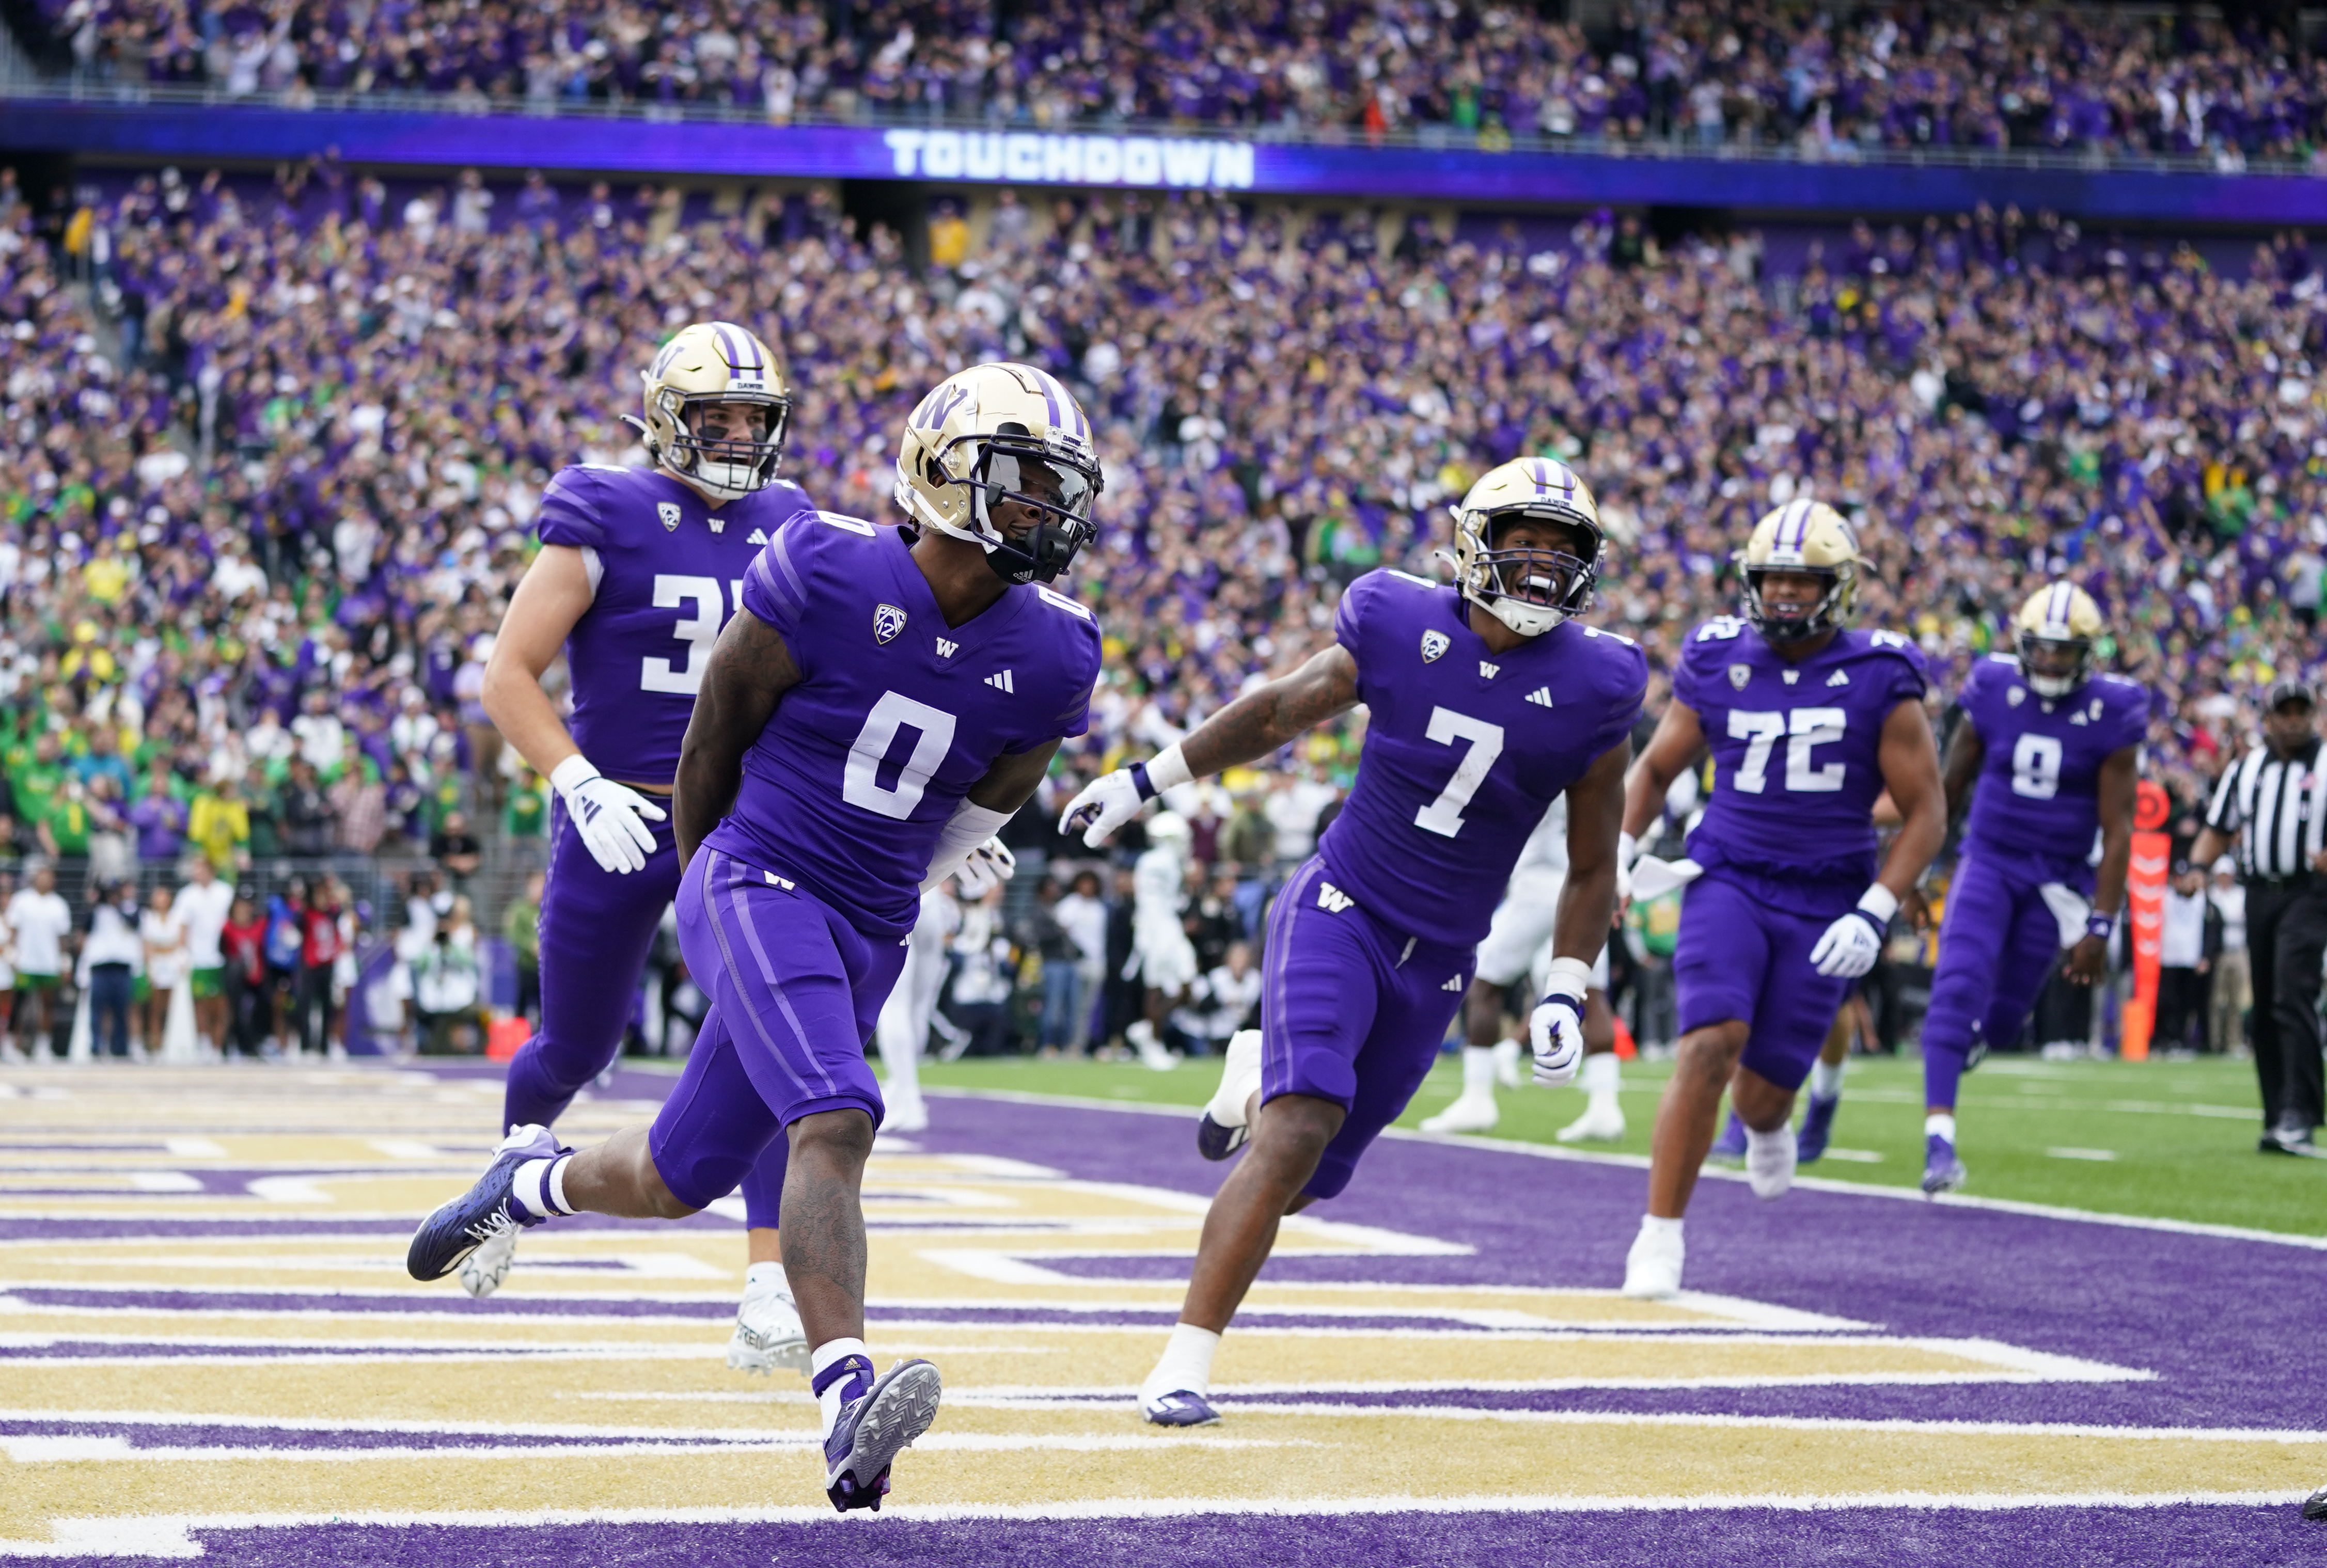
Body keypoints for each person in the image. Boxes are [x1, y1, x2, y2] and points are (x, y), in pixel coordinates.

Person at [406, 361, 1106, 1512]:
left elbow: (999, 787)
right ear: (942, 474)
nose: (1045, 510)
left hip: (873, 917)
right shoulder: (828, 564)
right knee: (835, 1113)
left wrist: (934, 854)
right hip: (760, 871)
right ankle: (844, 1401)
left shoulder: (1059, 648)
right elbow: (712, 733)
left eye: (1057, 487)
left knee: (681, 1175)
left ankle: (524, 1185)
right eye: (1021, 481)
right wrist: (708, 885)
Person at [1062, 456, 1643, 1428]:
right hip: (1344, 905)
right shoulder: (1397, 620)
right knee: (1297, 1132)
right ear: (1473, 544)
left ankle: (1250, 1072)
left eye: (1562, 548)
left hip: (1446, 953)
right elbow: (1282, 709)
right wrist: (1145, 780)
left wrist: (1564, 987)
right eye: (1523, 541)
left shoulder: (1599, 683)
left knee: (1309, 1179)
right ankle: (1181, 1362)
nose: (1542, 564)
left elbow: (1593, 866)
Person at [463, 321, 822, 1327]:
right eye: (720, 416)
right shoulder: (606, 505)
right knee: (576, 1045)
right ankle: (501, 1194)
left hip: (743, 821)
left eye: (757, 418)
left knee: (762, 1027)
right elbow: (507, 675)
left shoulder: (789, 518)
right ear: (669, 417)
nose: (742, 436)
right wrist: (576, 780)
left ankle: (765, 1281)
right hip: (618, 808)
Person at [1615, 500, 1944, 1300]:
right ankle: (1659, 1235)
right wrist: (1619, 855)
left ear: (1839, 588)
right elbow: (1656, 767)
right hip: (1726, 876)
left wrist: (1876, 906)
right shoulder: (1718, 655)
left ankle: (1766, 1123)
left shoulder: (1879, 675)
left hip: (1825, 896)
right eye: (1773, 580)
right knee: (1706, 1042)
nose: (1786, 596)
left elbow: (1927, 808)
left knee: (1762, 1091)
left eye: (1803, 581)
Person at [1908, 584, 2144, 1190]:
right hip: (1988, 858)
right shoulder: (1993, 686)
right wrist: (1909, 870)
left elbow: (2119, 831)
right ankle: (1940, 1144)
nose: (2051, 662)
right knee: (1956, 985)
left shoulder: (2112, 709)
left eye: (2065, 652)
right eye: (2042, 649)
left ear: (2088, 653)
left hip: (2059, 878)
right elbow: (1949, 785)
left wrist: (2100, 923)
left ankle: (1974, 1038)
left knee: (2008, 1018)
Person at [1420, 794, 1622, 1139]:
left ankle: (1477, 1098)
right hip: (1587, 888)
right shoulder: (1601, 755)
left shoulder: (1553, 752)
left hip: (1538, 886)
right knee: (1590, 992)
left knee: (1485, 984)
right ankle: (1606, 1107)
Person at [2189, 676, 2327, 1156]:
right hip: (2259, 895)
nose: (2293, 721)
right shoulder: (2248, 770)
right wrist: (2197, 868)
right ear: (2268, 720)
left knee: (2293, 993)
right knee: (2266, 1002)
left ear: (2313, 716)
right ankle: (2277, 1113)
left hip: (2309, 894)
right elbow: (2219, 827)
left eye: (2301, 712)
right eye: (2284, 713)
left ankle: (2301, 1113)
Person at [1124, 812, 1198, 1069]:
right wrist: (1151, 936)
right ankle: (1153, 1043)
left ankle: (1146, 1029)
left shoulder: (1170, 862)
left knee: (1189, 985)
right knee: (1156, 986)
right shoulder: (1157, 862)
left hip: (1168, 923)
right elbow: (1149, 902)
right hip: (1157, 927)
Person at [7, 863, 71, 1057]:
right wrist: (12, 953)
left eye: (49, 877)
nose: (46, 881)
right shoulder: (21, 900)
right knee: (19, 1003)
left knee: (49, 1005)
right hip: (26, 961)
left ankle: (43, 1046)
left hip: (49, 963)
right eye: (42, 877)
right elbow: (13, 930)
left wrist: (65, 961)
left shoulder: (59, 904)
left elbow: (62, 937)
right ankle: (12, 1045)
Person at [177, 856, 235, 1054]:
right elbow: (182, 928)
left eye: (201, 868)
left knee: (221, 1004)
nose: (197, 873)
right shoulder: (187, 895)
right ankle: (203, 1042)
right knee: (200, 1003)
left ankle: (218, 1045)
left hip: (221, 957)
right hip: (198, 958)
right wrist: (183, 954)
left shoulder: (225, 893)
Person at [80, 881, 144, 1059]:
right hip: (100, 967)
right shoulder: (97, 911)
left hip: (122, 967)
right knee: (97, 1010)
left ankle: (120, 1047)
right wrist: (96, 901)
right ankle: (96, 1045)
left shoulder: (130, 909)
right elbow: (85, 926)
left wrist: (118, 906)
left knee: (122, 1009)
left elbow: (135, 924)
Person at [139, 883, 189, 1057]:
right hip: (157, 967)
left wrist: (163, 949)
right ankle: (156, 1045)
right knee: (155, 1008)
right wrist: (159, 953)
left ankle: (172, 1043)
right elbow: (147, 945)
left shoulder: (178, 917)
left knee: (172, 1007)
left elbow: (181, 943)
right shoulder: (148, 918)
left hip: (173, 966)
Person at [2207, 857, 2250, 1055]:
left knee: (2236, 1000)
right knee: (2216, 1000)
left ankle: (2233, 1041)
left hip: (2239, 950)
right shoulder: (2212, 895)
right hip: (2219, 953)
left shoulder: (2241, 894)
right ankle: (2215, 1042)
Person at [220, 893, 270, 1058]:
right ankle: (234, 1045)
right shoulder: (227, 928)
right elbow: (223, 952)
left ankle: (258, 1042)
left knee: (260, 1009)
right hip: (237, 979)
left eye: (247, 906)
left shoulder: (260, 925)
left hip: (258, 978)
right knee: (237, 1011)